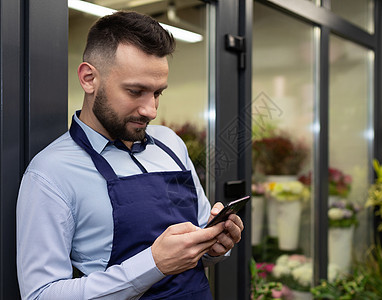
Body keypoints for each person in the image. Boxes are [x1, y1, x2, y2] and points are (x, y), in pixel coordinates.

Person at [16, 11, 244, 300]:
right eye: (136, 91)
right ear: (89, 79)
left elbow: (198, 247)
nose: (151, 110)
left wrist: (214, 247)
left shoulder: (170, 144)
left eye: (158, 93)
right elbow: (40, 294)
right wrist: (153, 265)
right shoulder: (51, 173)